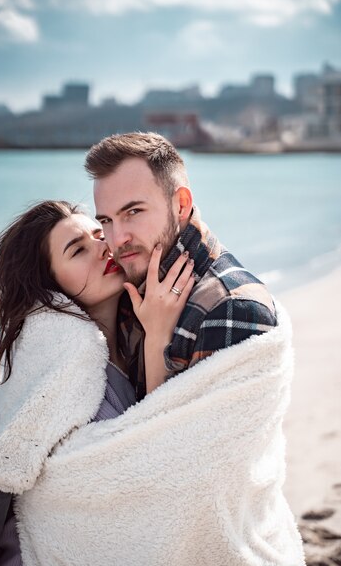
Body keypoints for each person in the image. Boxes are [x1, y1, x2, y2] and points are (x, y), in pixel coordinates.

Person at [0, 200, 193, 566]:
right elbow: (141, 467)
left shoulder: (119, 344)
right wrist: (158, 336)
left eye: (99, 236)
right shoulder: (71, 351)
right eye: (77, 250)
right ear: (52, 286)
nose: (104, 248)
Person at [86, 131, 279, 399]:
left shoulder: (231, 309)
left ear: (181, 204)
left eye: (133, 212)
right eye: (106, 220)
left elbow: (194, 439)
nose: (118, 239)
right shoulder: (126, 287)